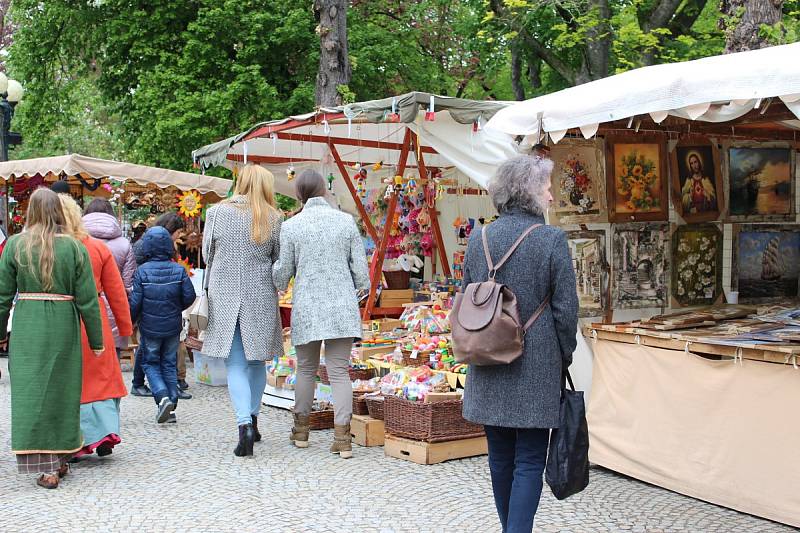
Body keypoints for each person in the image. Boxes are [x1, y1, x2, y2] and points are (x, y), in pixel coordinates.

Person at [461, 155, 578, 532]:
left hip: (486, 355)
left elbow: (466, 298)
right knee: (529, 458)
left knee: (500, 457)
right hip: (536, 359)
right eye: (547, 188)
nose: (552, 196)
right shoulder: (550, 240)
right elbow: (565, 310)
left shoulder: (479, 239)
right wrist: (565, 354)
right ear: (530, 192)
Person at [0, 188, 104, 489]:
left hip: (28, 324)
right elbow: (88, 300)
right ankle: (57, 461)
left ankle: (47, 466)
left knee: (32, 394)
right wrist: (97, 340)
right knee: (62, 392)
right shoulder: (74, 248)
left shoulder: (15, 246)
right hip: (62, 325)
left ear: (30, 211)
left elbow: (3, 296)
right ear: (58, 211)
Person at [273, 170, 369, 459]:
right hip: (341, 306)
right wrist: (354, 292)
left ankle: (301, 432)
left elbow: (282, 275)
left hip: (307, 306)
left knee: (305, 368)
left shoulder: (292, 226)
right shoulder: (345, 222)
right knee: (339, 370)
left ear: (299, 195)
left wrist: (272, 273)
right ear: (324, 192)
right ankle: (343, 438)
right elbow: (362, 275)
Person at [202, 164, 283, 457]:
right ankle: (254, 419)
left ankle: (244, 424)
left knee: (235, 365)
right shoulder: (274, 218)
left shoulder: (217, 213)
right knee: (257, 363)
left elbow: (205, 254)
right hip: (259, 296)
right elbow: (278, 259)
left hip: (225, 296)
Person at [59, 194, 133, 458]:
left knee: (72, 381)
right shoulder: (96, 247)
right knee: (101, 379)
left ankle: (75, 439)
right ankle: (103, 433)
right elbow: (116, 292)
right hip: (96, 321)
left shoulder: (49, 249)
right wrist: (125, 328)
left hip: (60, 319)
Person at [129, 226, 196, 424]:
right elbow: (189, 296)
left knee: (150, 362)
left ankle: (162, 397)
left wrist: (132, 321)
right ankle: (171, 404)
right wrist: (175, 308)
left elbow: (135, 303)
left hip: (149, 327)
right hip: (172, 326)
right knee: (168, 363)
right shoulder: (178, 270)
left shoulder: (142, 272)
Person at [83, 198, 137, 357]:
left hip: (83, 307)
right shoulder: (124, 244)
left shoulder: (75, 242)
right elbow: (127, 284)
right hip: (115, 307)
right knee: (113, 362)